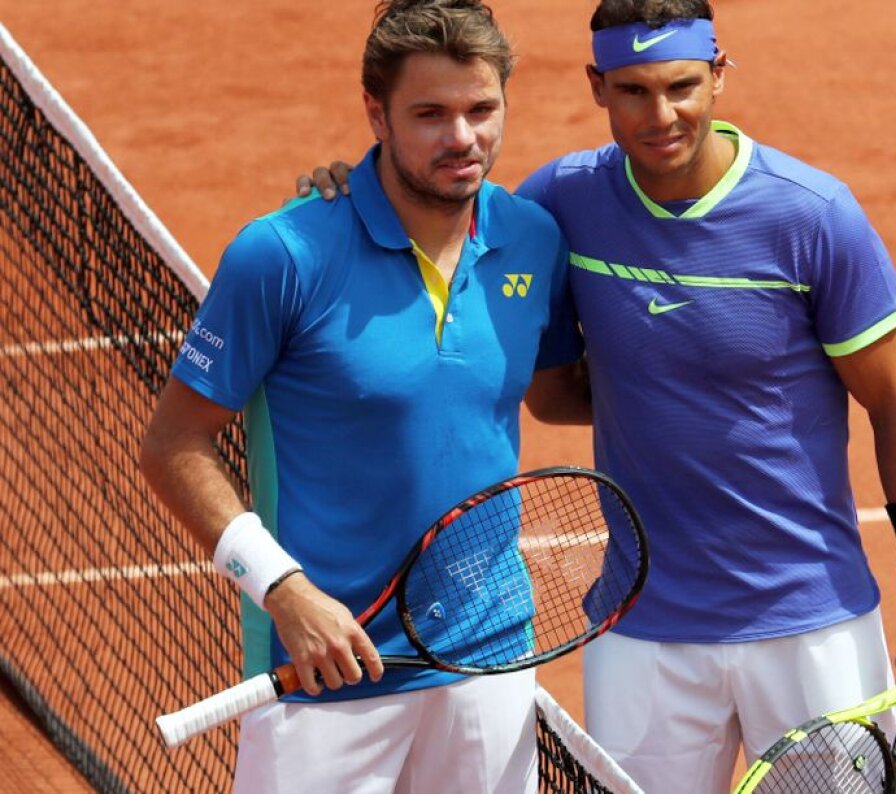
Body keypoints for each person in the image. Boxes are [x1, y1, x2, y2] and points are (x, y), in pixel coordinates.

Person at [302, 2, 896, 792]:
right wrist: (354, 186)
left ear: (720, 74)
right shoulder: (564, 203)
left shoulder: (813, 218)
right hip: (641, 632)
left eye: (682, 86)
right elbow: (448, 215)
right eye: (632, 92)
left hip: (811, 625)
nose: (662, 115)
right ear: (597, 87)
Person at [140, 1, 581, 791]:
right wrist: (284, 592)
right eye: (429, 114)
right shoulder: (284, 254)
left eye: (482, 109)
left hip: (488, 664)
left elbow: (557, 391)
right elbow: (173, 444)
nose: (462, 138)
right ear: (375, 113)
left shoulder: (533, 239)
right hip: (325, 674)